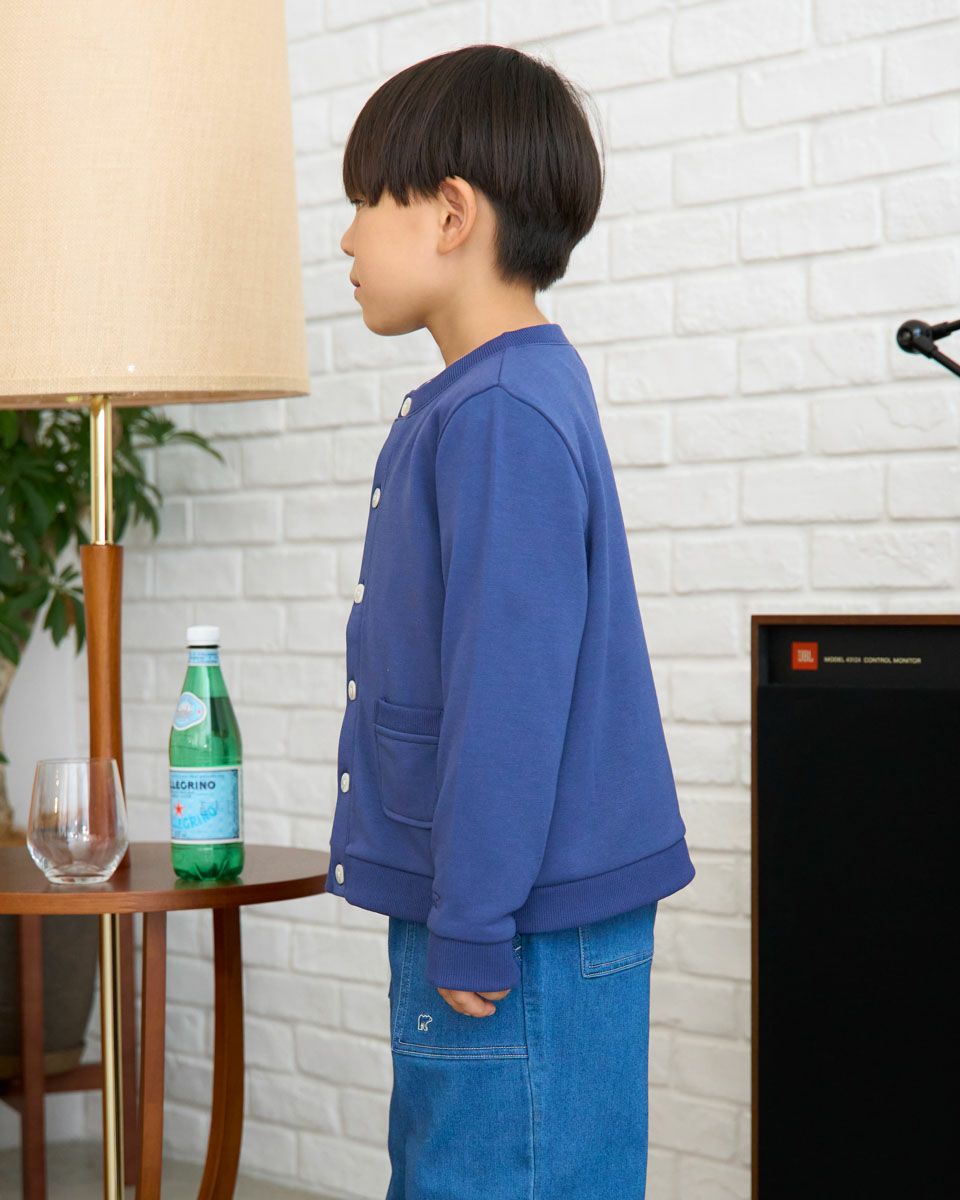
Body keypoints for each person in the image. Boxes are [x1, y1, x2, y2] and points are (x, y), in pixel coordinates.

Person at [327, 42, 696, 1200]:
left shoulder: (497, 412)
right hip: (501, 905)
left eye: (365, 204)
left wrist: (475, 916)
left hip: (515, 924)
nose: (344, 240)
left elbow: (509, 693)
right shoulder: (498, 396)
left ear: (450, 215)